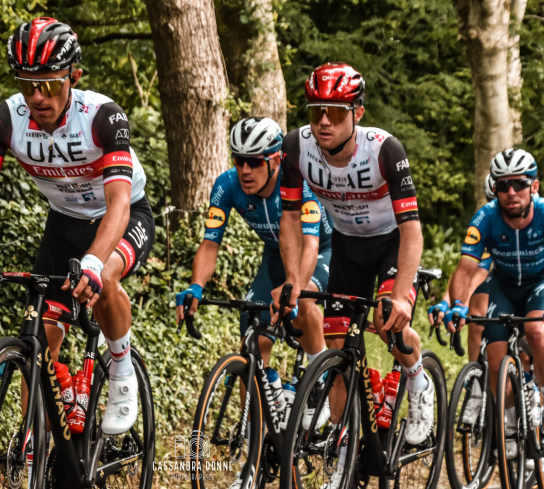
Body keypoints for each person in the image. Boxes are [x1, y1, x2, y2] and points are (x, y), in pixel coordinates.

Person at [0, 17, 155, 436]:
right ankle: (38, 448)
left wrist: (92, 261)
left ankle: (122, 370)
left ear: (74, 77)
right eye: (26, 84)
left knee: (105, 275)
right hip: (63, 224)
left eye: (48, 84)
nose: (36, 96)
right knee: (40, 344)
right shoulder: (5, 120)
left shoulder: (103, 116)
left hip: (122, 217)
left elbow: (120, 203)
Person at [273, 63, 435, 458]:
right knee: (336, 344)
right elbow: (290, 218)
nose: (323, 122)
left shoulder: (383, 150)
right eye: (316, 111)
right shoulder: (296, 147)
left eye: (335, 112)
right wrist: (292, 279)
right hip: (348, 247)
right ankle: (344, 451)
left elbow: (412, 229)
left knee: (387, 323)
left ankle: (419, 382)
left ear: (357, 113)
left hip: (391, 244)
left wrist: (400, 296)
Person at [442, 149, 544, 455]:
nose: (511, 192)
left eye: (519, 184)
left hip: (543, 282)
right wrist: (457, 304)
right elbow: (465, 270)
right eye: (503, 185)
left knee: (538, 332)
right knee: (495, 357)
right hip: (503, 286)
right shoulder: (485, 217)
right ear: (495, 188)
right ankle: (508, 424)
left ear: (534, 186)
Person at [175, 116, 330, 369]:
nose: (245, 170)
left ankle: (320, 373)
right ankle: (263, 388)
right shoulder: (227, 185)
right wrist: (196, 285)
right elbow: (210, 243)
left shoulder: (298, 182)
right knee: (252, 340)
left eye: (255, 162)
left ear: (276, 160)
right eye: (239, 160)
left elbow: (311, 244)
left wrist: (294, 289)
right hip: (276, 254)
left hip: (323, 250)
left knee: (301, 300)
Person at [428, 174, 495, 424]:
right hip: (488, 282)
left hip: (525, 281)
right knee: (477, 319)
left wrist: (461, 304)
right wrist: (447, 302)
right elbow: (466, 272)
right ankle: (476, 385)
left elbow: (482, 275)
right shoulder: (486, 222)